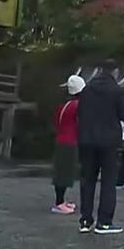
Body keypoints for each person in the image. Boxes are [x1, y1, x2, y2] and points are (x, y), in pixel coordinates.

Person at [75, 60, 124, 235]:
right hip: (108, 142)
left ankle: (85, 220)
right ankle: (104, 222)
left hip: (87, 140)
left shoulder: (87, 90)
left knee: (87, 180)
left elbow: (79, 113)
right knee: (108, 182)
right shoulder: (116, 91)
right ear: (114, 72)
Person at [51, 74, 84, 214]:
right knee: (64, 173)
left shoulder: (64, 105)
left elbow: (55, 123)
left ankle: (61, 200)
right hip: (70, 142)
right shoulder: (77, 105)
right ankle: (59, 203)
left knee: (61, 171)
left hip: (61, 139)